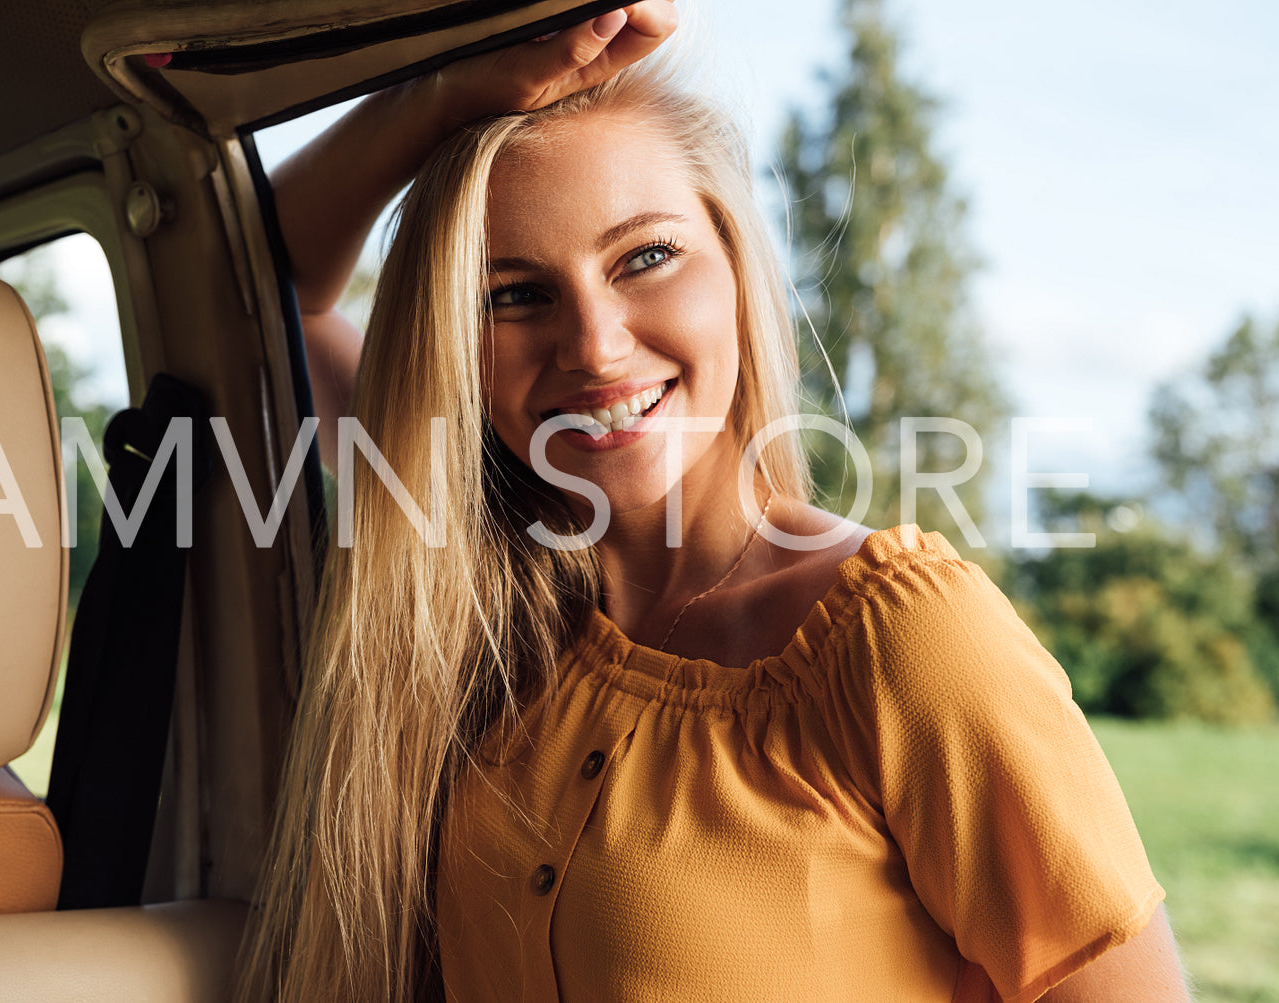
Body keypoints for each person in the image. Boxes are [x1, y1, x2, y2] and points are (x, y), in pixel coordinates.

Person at [238, 4, 1190, 1000]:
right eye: (512, 294)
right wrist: (443, 97)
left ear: (738, 271)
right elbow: (270, 282)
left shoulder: (905, 641)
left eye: (644, 257)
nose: (595, 348)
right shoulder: (486, 588)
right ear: (452, 342)